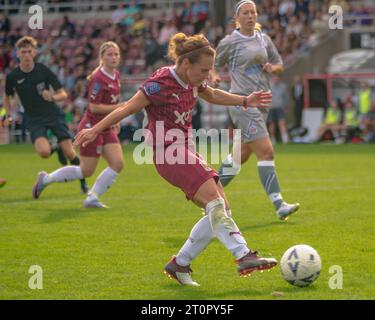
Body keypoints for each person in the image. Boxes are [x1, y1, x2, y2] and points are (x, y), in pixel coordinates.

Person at [73, 32, 277, 286]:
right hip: (168, 152)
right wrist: (95, 129)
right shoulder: (159, 82)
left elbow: (211, 93)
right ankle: (243, 254)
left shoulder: (192, 79)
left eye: (209, 69)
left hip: (186, 150)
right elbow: (127, 108)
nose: (206, 75)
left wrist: (245, 100)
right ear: (185, 63)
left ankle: (180, 264)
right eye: (204, 69)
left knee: (222, 207)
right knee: (215, 203)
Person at [210, 0, 299, 221]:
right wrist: (213, 76)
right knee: (266, 151)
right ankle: (279, 204)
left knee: (240, 156)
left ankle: (209, 194)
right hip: (242, 103)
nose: (250, 16)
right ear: (237, 18)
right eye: (246, 13)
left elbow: (279, 64)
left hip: (263, 103)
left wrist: (272, 67)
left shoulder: (264, 39)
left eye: (253, 12)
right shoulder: (230, 42)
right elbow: (212, 63)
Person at [32, 42, 124, 208]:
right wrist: (119, 108)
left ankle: (92, 197)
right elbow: (94, 107)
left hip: (106, 127)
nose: (114, 57)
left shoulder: (116, 75)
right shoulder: (98, 79)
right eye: (110, 54)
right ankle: (46, 179)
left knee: (118, 163)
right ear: (102, 57)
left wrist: (115, 119)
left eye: (116, 54)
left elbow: (112, 101)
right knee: (86, 170)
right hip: (92, 128)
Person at [4, 36, 88, 194]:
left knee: (70, 152)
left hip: (54, 115)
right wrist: (8, 115)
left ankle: (83, 182)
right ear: (18, 54)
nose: (27, 55)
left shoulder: (43, 70)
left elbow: (63, 94)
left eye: (29, 51)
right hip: (34, 119)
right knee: (43, 153)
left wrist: (53, 97)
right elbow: (8, 97)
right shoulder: (13, 76)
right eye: (23, 52)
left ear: (34, 52)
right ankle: (55, 148)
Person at [267, 75, 289, 144]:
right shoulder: (268, 86)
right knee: (272, 124)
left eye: (277, 77)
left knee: (282, 123)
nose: (276, 79)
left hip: (280, 107)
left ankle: (285, 139)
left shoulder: (283, 86)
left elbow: (286, 98)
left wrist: (285, 106)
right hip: (271, 108)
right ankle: (273, 139)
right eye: (274, 77)